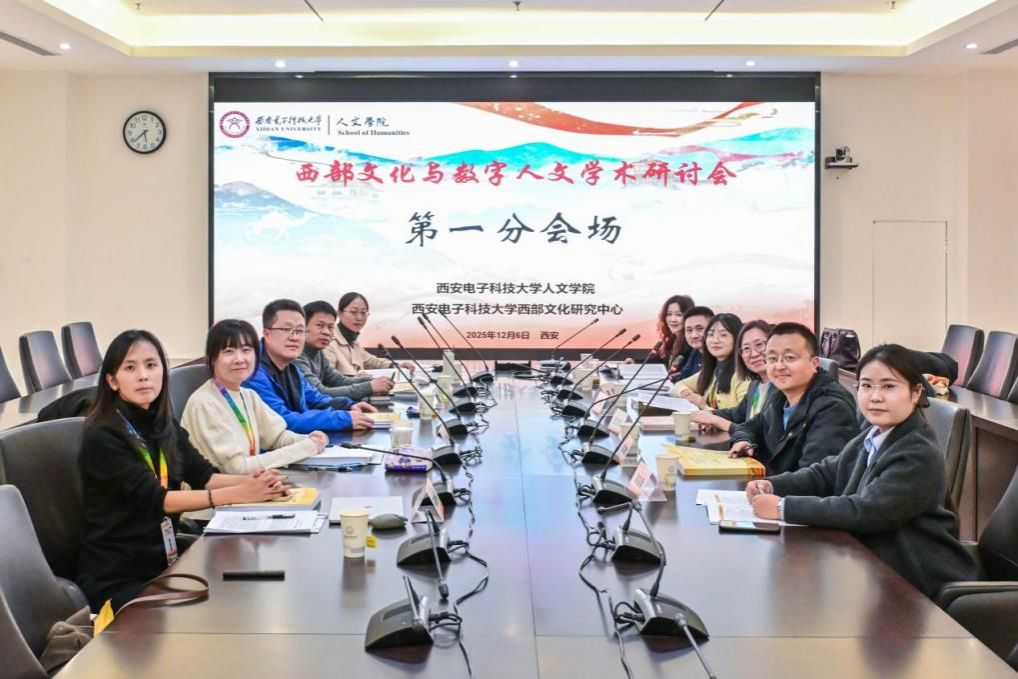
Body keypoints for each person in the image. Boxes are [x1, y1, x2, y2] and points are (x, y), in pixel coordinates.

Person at [77, 330, 291, 611]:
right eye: (130, 368)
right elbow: (159, 500)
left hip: (162, 565)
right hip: (119, 579)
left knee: (243, 596)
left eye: (151, 365)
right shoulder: (103, 435)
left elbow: (205, 476)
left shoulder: (160, 423)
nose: (143, 376)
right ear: (112, 380)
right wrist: (239, 493)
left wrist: (255, 483)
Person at [745, 344, 979, 599]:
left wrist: (783, 507)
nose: (875, 396)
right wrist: (773, 485)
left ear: (915, 393)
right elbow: (827, 473)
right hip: (876, 571)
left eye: (888, 386)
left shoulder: (917, 451)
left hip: (918, 584)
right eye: (866, 386)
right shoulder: (874, 434)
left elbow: (866, 511)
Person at [182, 319, 329, 474]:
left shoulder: (248, 395)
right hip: (224, 487)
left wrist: (308, 439)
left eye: (246, 350)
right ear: (212, 358)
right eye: (229, 351)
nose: (240, 359)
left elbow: (276, 437)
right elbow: (236, 468)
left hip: (250, 483)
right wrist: (305, 448)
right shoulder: (204, 404)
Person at [728, 322, 858, 474]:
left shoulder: (832, 408)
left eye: (789, 358)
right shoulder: (781, 397)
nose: (779, 366)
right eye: (772, 359)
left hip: (791, 488)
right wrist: (743, 440)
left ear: (814, 363)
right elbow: (749, 427)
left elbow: (816, 477)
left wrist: (766, 484)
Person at [244, 299, 376, 433]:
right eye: (286, 329)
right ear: (267, 334)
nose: (294, 337)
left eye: (300, 330)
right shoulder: (251, 371)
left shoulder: (289, 367)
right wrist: (343, 418)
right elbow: (280, 420)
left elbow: (315, 398)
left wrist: (348, 406)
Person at [295, 300, 394, 400]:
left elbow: (340, 381)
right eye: (320, 325)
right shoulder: (296, 355)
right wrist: (369, 387)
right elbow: (320, 393)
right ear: (302, 327)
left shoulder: (318, 353)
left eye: (330, 327)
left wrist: (373, 380)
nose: (326, 332)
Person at [691, 320, 772, 432]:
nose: (753, 354)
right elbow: (736, 414)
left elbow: (760, 434)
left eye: (759, 345)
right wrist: (709, 414)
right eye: (746, 348)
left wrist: (716, 420)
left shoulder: (782, 389)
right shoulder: (755, 385)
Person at [324, 292, 415, 376]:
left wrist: (394, 365)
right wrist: (357, 380)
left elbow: (370, 361)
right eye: (353, 312)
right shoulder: (328, 341)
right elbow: (328, 379)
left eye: (363, 313)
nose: (359, 318)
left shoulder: (352, 340)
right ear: (339, 314)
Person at [673, 313, 750, 410]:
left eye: (723, 335)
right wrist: (688, 395)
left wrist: (703, 406)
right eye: (710, 335)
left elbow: (742, 417)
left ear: (737, 339)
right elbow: (678, 385)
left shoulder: (743, 376)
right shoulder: (714, 370)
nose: (715, 340)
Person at [626, 295, 695, 375]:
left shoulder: (691, 344)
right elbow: (659, 362)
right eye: (669, 314)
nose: (672, 319)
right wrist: (635, 363)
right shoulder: (672, 340)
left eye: (678, 315)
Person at [673, 305, 714, 381]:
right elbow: (684, 375)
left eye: (700, 329)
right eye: (689, 330)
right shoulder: (695, 351)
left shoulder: (718, 356)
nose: (694, 335)